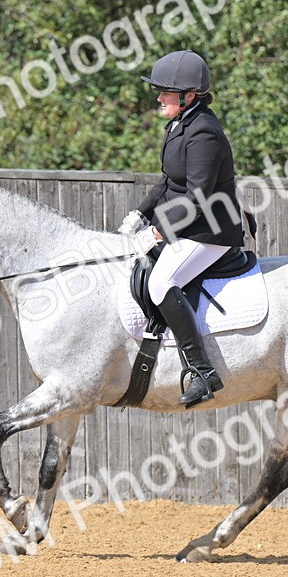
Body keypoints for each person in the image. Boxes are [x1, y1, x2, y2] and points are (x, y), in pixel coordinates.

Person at [117, 50, 246, 408]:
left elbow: (198, 195)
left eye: (164, 92)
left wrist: (158, 231)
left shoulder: (204, 131)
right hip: (190, 223)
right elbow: (168, 181)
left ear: (188, 96)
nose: (158, 98)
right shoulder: (180, 124)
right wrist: (140, 215)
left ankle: (203, 372)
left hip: (212, 229)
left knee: (162, 282)